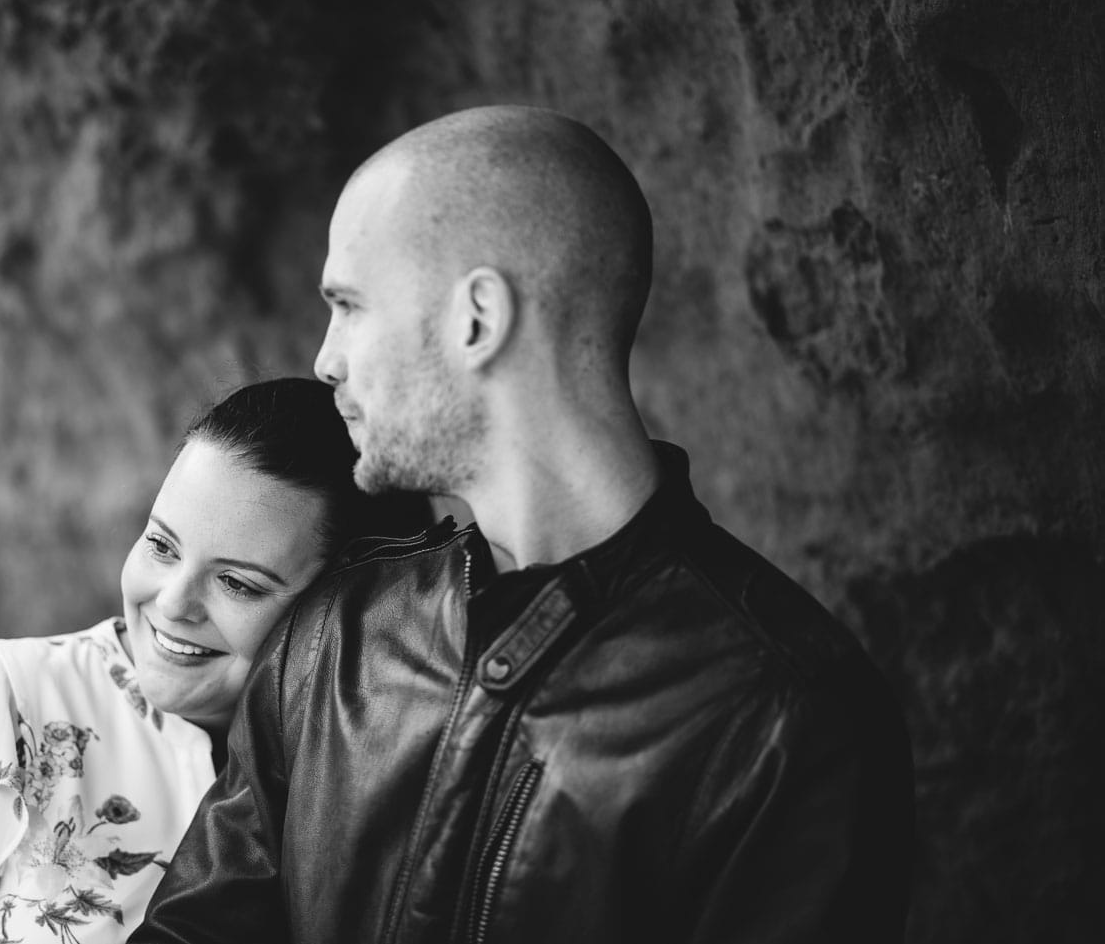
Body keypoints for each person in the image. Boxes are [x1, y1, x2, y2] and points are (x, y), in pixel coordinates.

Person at [131, 107, 916, 943]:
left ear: (478, 319)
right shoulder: (332, 635)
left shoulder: (784, 718)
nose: (327, 360)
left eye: (350, 305)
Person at [0, 378, 432, 944]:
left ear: (344, 609)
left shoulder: (391, 784)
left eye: (238, 584)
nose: (172, 601)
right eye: (161, 545)